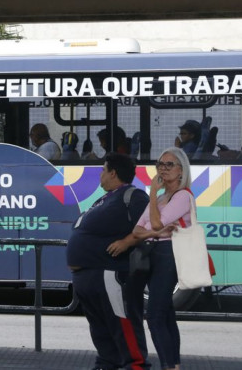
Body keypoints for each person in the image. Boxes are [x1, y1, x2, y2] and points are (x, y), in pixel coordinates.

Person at [67, 153, 150, 370]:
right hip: (87, 276)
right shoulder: (104, 198)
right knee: (100, 329)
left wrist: (126, 242)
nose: (100, 175)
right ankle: (107, 363)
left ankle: (136, 365)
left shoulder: (134, 196)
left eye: (103, 170)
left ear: (113, 173)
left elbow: (149, 226)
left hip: (109, 273)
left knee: (122, 324)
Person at [132, 147, 194, 370]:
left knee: (155, 316)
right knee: (166, 314)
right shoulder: (160, 198)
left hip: (169, 254)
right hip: (153, 254)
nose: (163, 169)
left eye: (170, 164)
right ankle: (174, 365)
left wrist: (151, 196)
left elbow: (155, 224)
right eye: (160, 164)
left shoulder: (183, 196)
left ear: (181, 170)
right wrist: (154, 231)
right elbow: (138, 230)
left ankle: (168, 366)